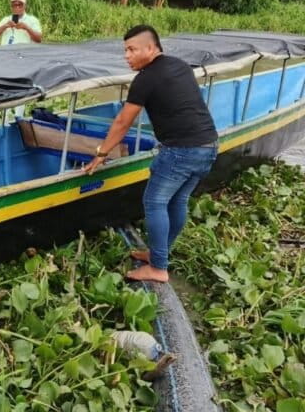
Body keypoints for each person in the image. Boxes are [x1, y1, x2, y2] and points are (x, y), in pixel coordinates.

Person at [84, 25, 218, 283]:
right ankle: (159, 254)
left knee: (155, 202)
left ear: (151, 48)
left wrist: (101, 153)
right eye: (125, 50)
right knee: (177, 201)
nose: (127, 56)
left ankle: (158, 268)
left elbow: (123, 121)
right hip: (208, 145)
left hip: (181, 150)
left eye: (132, 50)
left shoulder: (145, 79)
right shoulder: (179, 65)